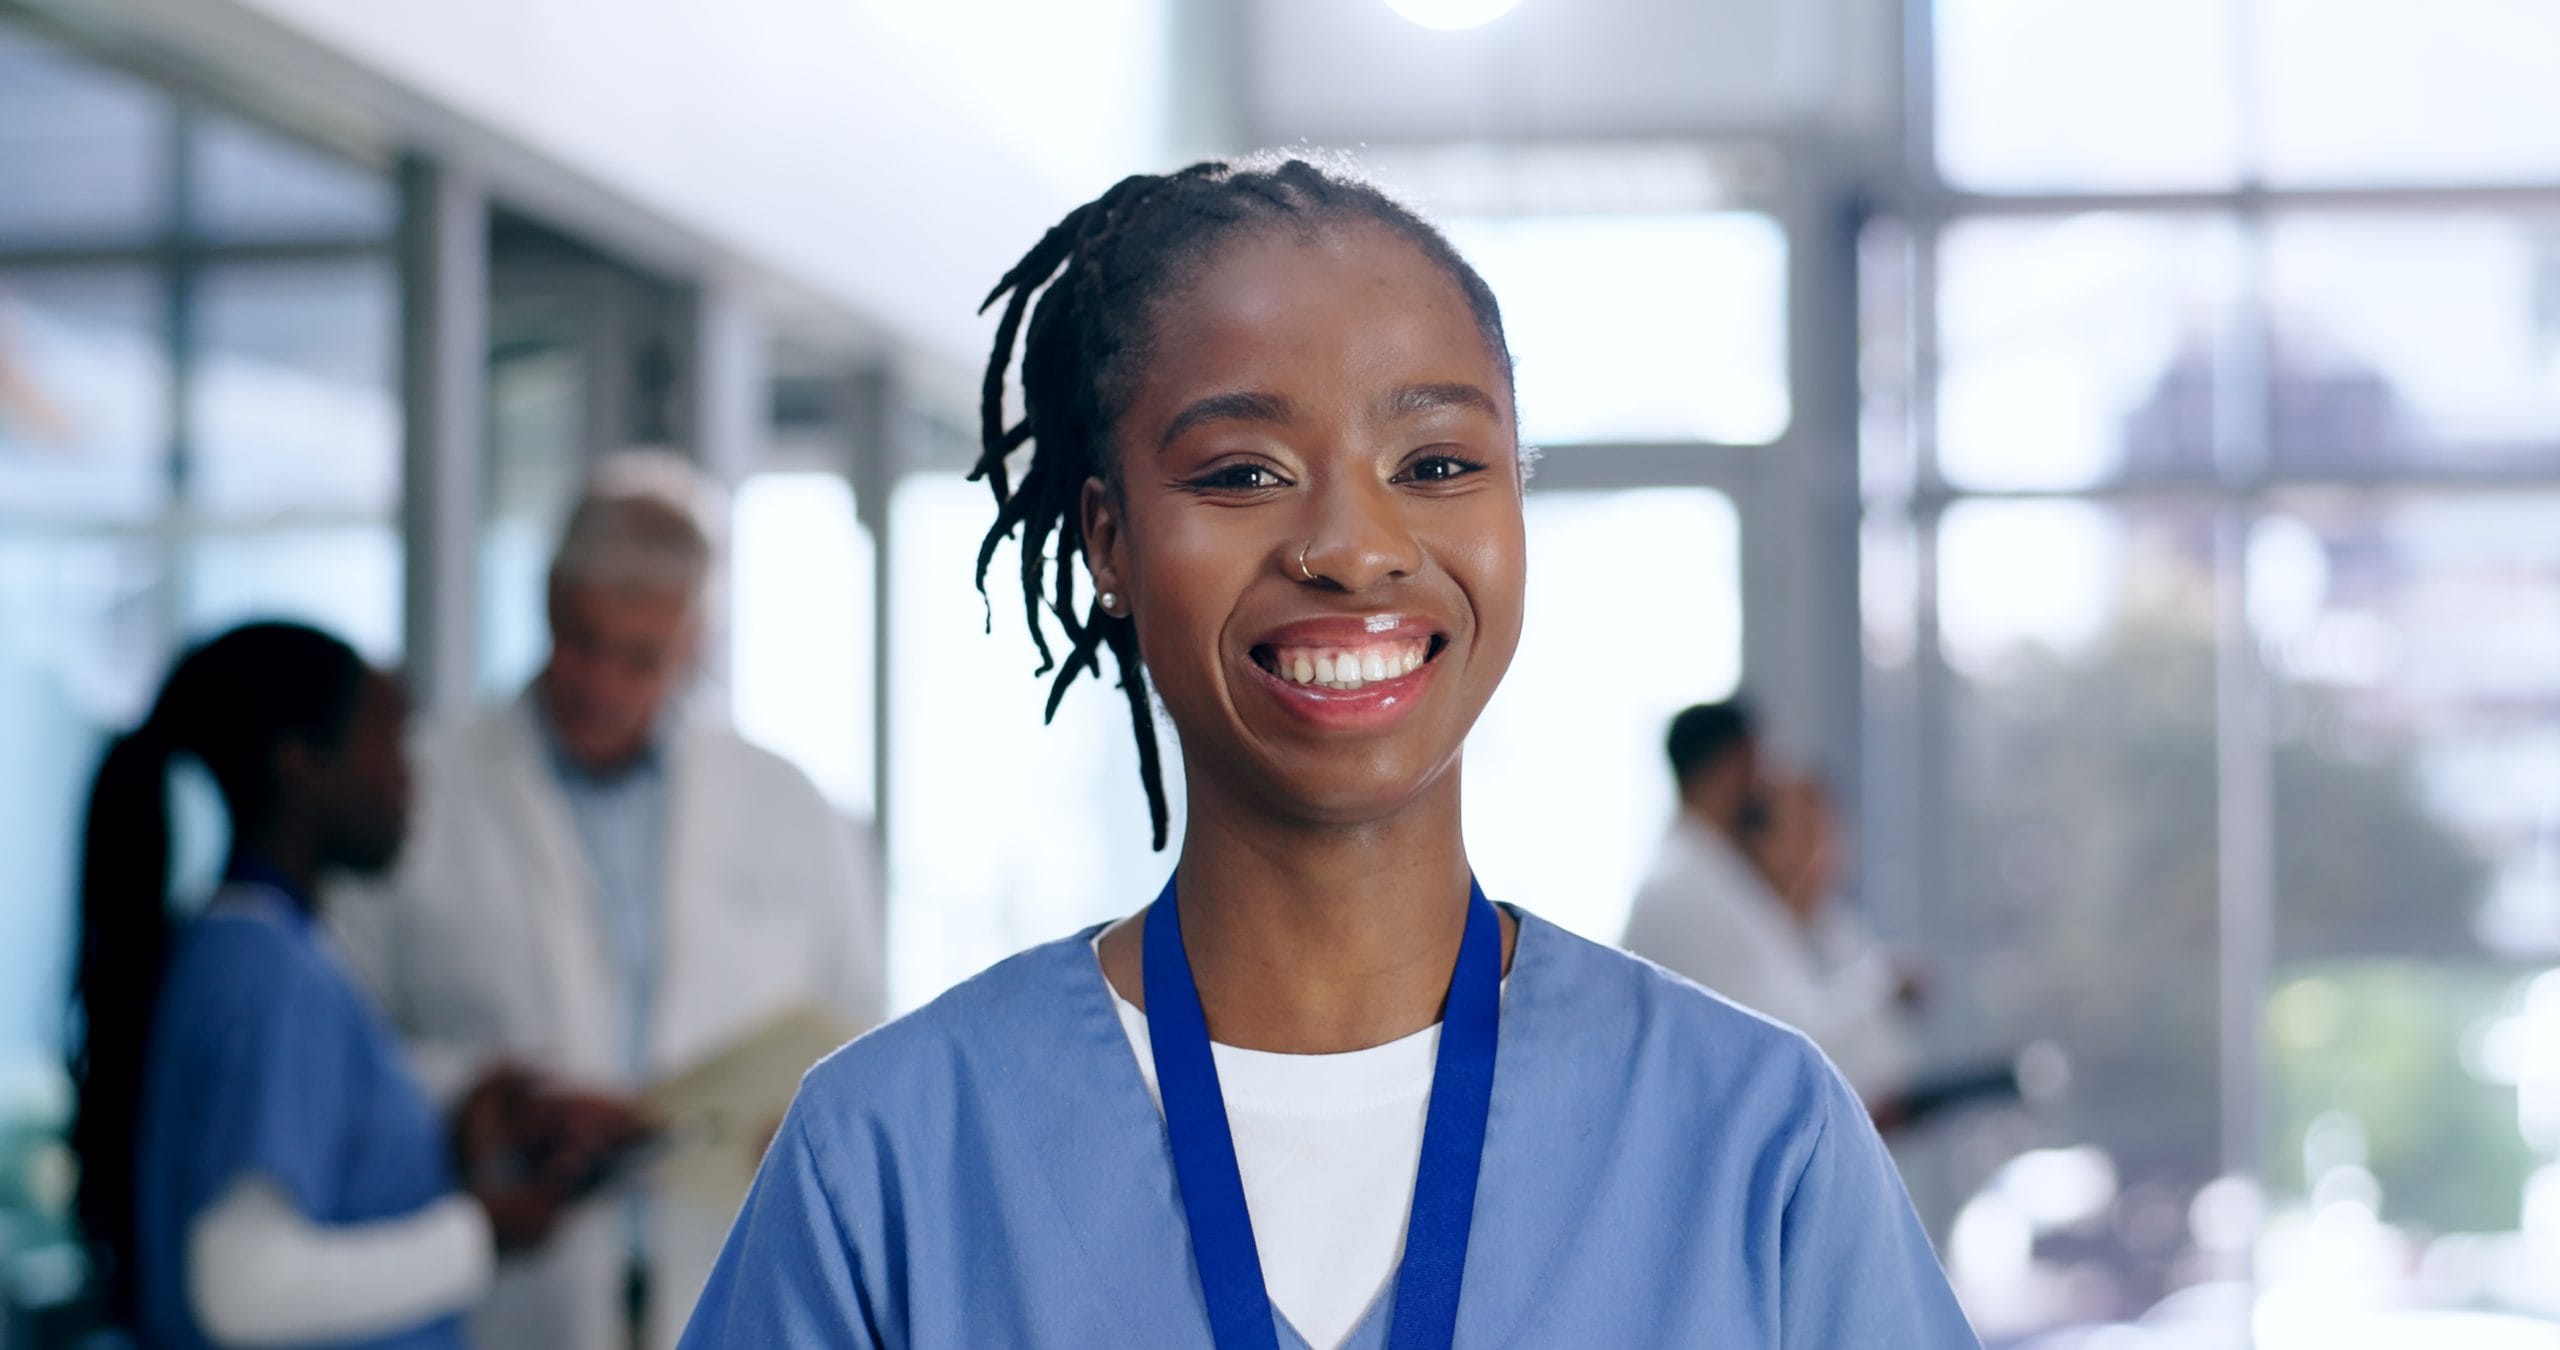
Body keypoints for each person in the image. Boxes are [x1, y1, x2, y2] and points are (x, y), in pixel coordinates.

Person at [680, 155, 1976, 1347]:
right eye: (1243, 472)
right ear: (1111, 541)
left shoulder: (1758, 1145)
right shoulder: (891, 1162)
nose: (1353, 545)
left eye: (1437, 460)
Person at [331, 454, 887, 1350]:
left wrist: (808, 1124)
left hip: (727, 1261)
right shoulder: (424, 788)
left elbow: (863, 1026)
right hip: (509, 1284)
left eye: (640, 658)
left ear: (695, 640)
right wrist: (477, 1097)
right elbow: (344, 1041)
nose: (601, 684)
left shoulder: (787, 804)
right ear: (548, 600)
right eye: (582, 640)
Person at [68, 621, 602, 1348]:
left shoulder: (253, 950)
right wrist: (480, 1234)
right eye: (387, 743)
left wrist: (452, 1133)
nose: (413, 777)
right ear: (301, 765)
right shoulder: (268, 976)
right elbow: (241, 1287)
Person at [1621, 700, 1919, 1111]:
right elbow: (1782, 1040)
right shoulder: (1685, 891)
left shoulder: (1716, 877)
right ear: (1734, 764)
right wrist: (1882, 984)